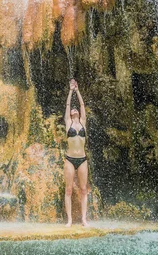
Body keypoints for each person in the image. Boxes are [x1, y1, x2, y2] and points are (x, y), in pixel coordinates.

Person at [64, 78, 89, 227]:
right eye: (72, 110)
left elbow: (82, 104)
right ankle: (70, 220)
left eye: (76, 110)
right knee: (68, 190)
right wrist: (70, 90)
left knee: (84, 189)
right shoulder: (68, 122)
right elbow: (68, 105)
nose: (74, 110)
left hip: (82, 159)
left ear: (79, 113)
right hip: (70, 159)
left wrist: (77, 90)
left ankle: (84, 219)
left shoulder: (83, 122)